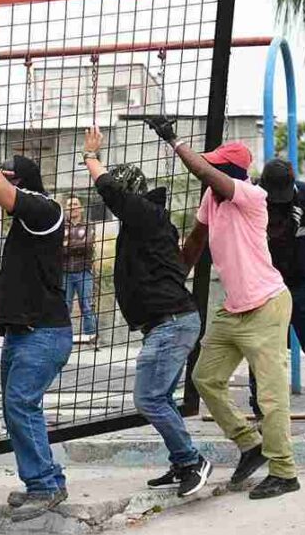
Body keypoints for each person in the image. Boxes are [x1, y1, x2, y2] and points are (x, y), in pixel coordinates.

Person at [147, 117, 299, 500]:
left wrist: (174, 142)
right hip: (233, 310)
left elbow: (202, 169)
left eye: (215, 166)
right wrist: (174, 280)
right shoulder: (210, 200)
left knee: (271, 395)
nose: (208, 170)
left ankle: (284, 471)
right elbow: (196, 242)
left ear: (229, 172)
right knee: (205, 378)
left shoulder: (251, 196)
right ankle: (250, 445)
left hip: (266, 306)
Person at [81, 127, 212, 497]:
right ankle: (180, 462)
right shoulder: (144, 223)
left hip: (172, 322)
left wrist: (92, 157)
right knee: (160, 398)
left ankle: (192, 461)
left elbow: (112, 193)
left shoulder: (146, 215)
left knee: (149, 399)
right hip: (168, 322)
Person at [0, 138, 73, 521]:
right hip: (24, 332)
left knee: (21, 404)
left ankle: (45, 485)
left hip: (43, 332)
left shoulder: (44, 209)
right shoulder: (31, 218)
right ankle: (43, 479)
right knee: (17, 408)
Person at [250, 159, 305, 419]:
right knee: (262, 351)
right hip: (264, 287)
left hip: (303, 285)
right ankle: (262, 410)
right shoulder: (253, 196)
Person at [62, 196, 99, 345]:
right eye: (70, 205)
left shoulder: (89, 225)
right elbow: (59, 248)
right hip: (65, 272)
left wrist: (68, 245)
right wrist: (77, 245)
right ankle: (64, 339)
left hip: (84, 271)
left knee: (87, 305)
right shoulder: (62, 226)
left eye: (76, 204)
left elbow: (88, 245)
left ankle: (92, 338)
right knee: (65, 306)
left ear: (81, 208)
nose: (73, 207)